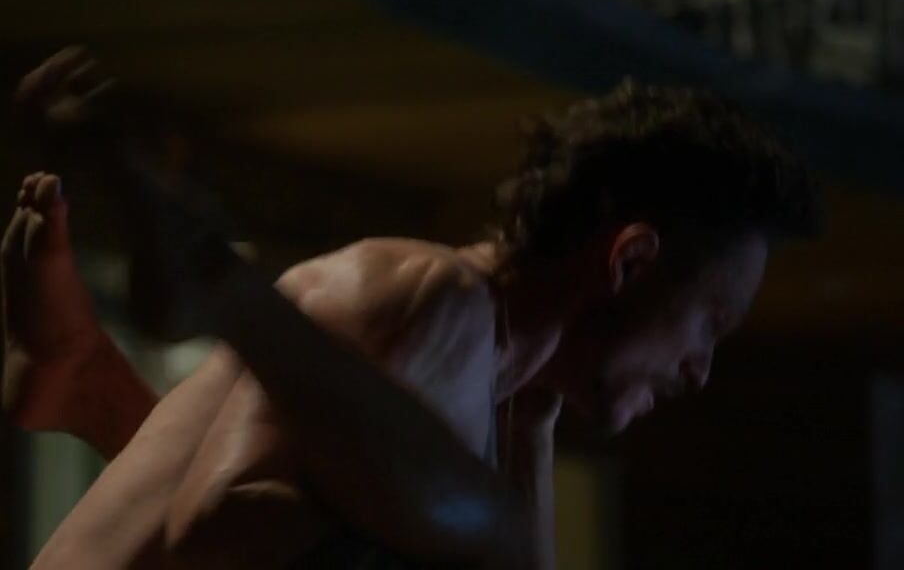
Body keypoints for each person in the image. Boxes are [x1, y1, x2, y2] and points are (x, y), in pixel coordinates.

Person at [2, 48, 820, 568]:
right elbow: (218, 534)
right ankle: (213, 294)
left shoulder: (494, 384)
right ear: (630, 260)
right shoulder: (435, 296)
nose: (701, 370)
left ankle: (97, 376)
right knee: (489, 541)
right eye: (710, 323)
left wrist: (527, 447)